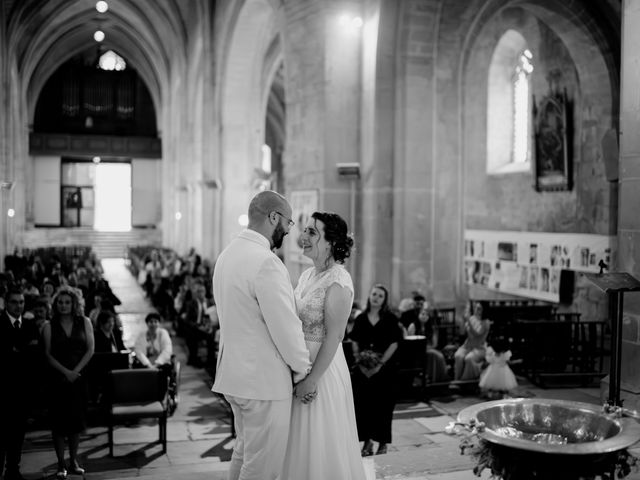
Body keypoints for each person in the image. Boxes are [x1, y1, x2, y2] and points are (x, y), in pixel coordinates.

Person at [212, 190, 312, 480]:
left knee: (243, 454)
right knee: (262, 470)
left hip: (235, 377)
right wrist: (303, 370)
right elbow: (286, 328)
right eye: (289, 223)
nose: (289, 230)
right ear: (273, 217)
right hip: (263, 384)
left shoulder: (226, 255)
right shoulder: (266, 262)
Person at [281, 212, 365, 479]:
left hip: (323, 371)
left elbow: (335, 337)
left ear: (330, 242)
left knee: (319, 440)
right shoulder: (307, 276)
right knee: (298, 443)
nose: (302, 237)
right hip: (299, 364)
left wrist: (312, 380)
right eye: (305, 230)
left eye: (312, 232)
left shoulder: (338, 281)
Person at [42, 286, 94, 480]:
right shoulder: (48, 325)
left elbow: (90, 350)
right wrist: (65, 372)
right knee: (58, 424)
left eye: (67, 302)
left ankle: (73, 461)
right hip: (57, 380)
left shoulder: (85, 322)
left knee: (76, 423)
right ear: (55, 304)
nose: (63, 305)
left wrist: (75, 372)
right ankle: (61, 464)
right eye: (60, 302)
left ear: (74, 304)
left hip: (78, 379)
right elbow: (47, 354)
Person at [350, 284, 403, 456]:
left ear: (384, 300)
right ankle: (367, 442)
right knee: (364, 406)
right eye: (374, 294)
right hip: (363, 370)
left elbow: (394, 343)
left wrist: (379, 364)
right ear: (369, 296)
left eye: (380, 295)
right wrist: (360, 361)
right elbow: (355, 341)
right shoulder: (361, 318)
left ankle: (382, 443)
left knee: (383, 407)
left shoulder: (390, 319)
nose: (376, 297)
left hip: (385, 371)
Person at [0, 287, 40, 480]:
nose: (18, 306)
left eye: (21, 302)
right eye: (14, 302)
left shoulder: (30, 325)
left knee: (18, 435)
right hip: (2, 389)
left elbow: (34, 356)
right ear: (6, 303)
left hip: (23, 389)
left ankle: (12, 471)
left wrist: (18, 352)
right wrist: (19, 352)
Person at [407, 305, 449, 383]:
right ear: (418, 315)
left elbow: (434, 344)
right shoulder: (413, 326)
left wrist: (428, 347)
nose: (424, 316)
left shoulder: (431, 327)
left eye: (427, 315)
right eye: (422, 314)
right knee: (436, 355)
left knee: (439, 356)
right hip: (416, 350)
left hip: (429, 348)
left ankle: (439, 380)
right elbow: (410, 342)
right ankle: (429, 378)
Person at [453, 300, 491, 382]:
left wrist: (468, 321)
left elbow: (477, 334)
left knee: (469, 358)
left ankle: (465, 381)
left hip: (479, 348)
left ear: (484, 310)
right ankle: (457, 380)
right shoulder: (472, 318)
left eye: (479, 309)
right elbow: (463, 333)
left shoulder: (486, 322)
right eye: (476, 308)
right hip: (467, 346)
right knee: (458, 355)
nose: (477, 311)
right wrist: (463, 322)